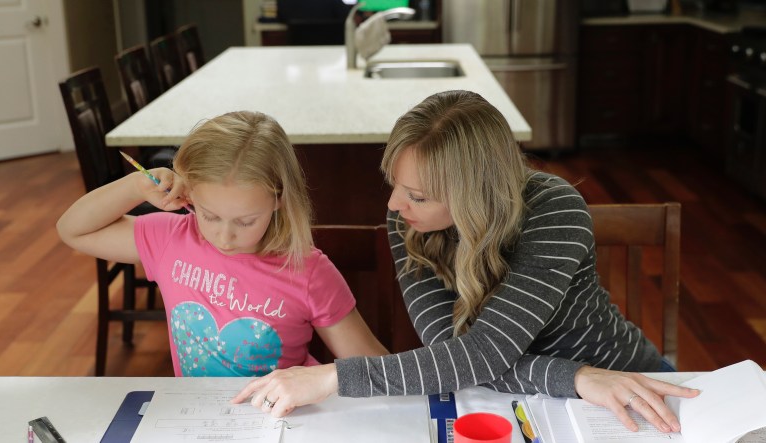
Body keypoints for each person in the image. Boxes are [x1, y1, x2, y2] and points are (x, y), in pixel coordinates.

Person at [232, 90, 699, 433]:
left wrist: (335, 376)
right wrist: (574, 378)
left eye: (416, 194)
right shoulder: (409, 222)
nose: (394, 205)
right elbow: (454, 352)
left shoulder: (554, 208)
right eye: (393, 184)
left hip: (626, 386)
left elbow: (478, 357)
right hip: (529, 395)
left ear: (474, 197)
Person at [57, 110, 387, 379]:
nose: (224, 237)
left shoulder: (308, 271)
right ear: (190, 196)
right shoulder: (170, 239)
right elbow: (74, 230)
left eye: (245, 221)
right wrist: (135, 187)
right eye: (209, 215)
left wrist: (325, 380)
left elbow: (379, 370)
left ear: (279, 200)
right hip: (198, 422)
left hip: (285, 424)